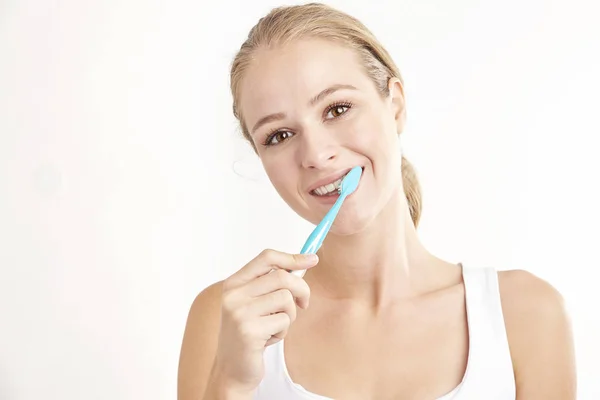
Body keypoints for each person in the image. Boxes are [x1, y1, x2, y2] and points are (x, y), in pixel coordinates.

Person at [177, 3, 576, 399]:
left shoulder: (524, 316)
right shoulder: (225, 319)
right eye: (279, 135)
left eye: (337, 109)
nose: (315, 154)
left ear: (396, 104)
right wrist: (230, 383)